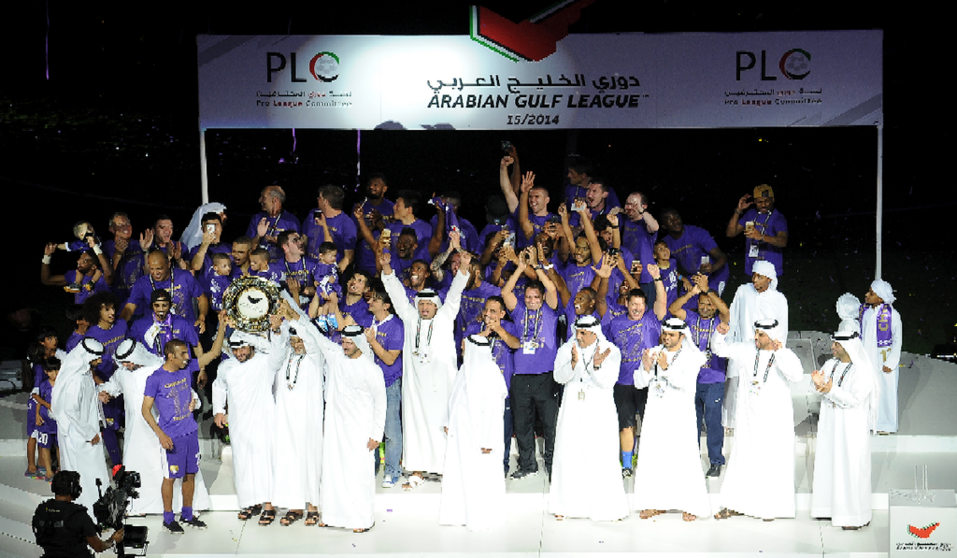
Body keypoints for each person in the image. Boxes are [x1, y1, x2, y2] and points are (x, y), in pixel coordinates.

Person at [381, 248, 470, 490]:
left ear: (436, 306)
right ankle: (417, 470)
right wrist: (388, 270)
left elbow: (454, 295)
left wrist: (463, 269)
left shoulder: (445, 318)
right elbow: (397, 295)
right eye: (422, 304)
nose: (425, 308)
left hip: (441, 384)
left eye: (430, 304)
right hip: (416, 385)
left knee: (442, 424)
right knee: (416, 423)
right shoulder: (410, 319)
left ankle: (445, 468)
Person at [99, 338, 216, 517]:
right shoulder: (122, 373)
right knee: (140, 469)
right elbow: (112, 386)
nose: (127, 365)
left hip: (160, 430)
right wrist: (105, 392)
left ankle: (181, 506)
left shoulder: (157, 370)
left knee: (170, 470)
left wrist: (194, 402)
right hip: (135, 431)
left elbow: (183, 390)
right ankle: (139, 507)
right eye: (123, 363)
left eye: (129, 361)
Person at [712, 318, 803, 520]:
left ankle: (770, 507)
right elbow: (719, 349)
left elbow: (796, 375)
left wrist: (780, 353)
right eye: (756, 333)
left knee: (771, 461)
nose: (755, 338)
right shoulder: (746, 349)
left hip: (774, 420)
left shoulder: (783, 354)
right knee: (744, 458)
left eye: (760, 335)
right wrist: (720, 333)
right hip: (748, 418)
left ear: (771, 336)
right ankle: (736, 504)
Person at [549, 316, 629, 522]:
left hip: (598, 409)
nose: (578, 336)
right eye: (577, 331)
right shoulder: (566, 350)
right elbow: (558, 377)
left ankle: (605, 506)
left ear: (594, 333)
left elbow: (607, 382)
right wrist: (573, 363)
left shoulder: (610, 351)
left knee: (599, 453)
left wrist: (596, 366)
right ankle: (566, 504)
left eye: (583, 333)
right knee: (569, 452)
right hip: (572, 408)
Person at [632, 319, 711, 521]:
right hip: (656, 413)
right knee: (655, 456)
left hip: (679, 414)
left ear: (682, 336)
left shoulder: (691, 357)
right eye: (665, 333)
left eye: (671, 335)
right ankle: (655, 503)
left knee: (683, 457)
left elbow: (684, 384)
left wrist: (666, 368)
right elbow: (639, 383)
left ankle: (690, 504)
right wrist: (647, 368)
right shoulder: (654, 351)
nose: (666, 338)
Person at [312, 324, 386, 532]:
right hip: (336, 429)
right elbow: (315, 335)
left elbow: (381, 403)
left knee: (358, 475)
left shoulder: (372, 370)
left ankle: (361, 520)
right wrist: (293, 316)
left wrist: (376, 434)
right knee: (333, 471)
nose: (344, 346)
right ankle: (331, 515)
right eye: (343, 341)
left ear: (359, 343)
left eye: (349, 343)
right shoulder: (336, 357)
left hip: (360, 431)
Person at [213, 324, 287, 525]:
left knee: (265, 462)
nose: (239, 353)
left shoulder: (265, 362)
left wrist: (250, 337)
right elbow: (219, 387)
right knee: (243, 463)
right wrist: (219, 410)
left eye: (243, 348)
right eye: (235, 349)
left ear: (251, 346)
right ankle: (250, 502)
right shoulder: (226, 366)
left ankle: (269, 505)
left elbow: (278, 350)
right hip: (239, 423)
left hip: (264, 421)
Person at [500, 251, 561, 480]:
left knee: (549, 424)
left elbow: (553, 290)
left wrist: (536, 267)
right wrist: (519, 267)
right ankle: (527, 464)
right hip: (520, 376)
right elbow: (506, 292)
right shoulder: (519, 312)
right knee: (523, 423)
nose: (532, 300)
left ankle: (553, 464)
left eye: (536, 297)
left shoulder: (550, 311)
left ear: (542, 298)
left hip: (545, 376)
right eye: (528, 297)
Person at [439, 335, 509, 531]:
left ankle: (480, 517)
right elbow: (455, 396)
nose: (462, 348)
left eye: (465, 346)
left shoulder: (491, 373)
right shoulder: (465, 369)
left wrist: (488, 440)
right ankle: (460, 513)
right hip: (461, 433)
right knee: (461, 473)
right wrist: (447, 419)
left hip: (480, 438)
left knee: (479, 476)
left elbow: (495, 411)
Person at [810, 330, 878, 530]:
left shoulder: (862, 371)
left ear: (848, 347)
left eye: (836, 345)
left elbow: (854, 400)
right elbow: (819, 386)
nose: (832, 347)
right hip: (831, 424)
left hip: (850, 429)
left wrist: (830, 389)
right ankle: (827, 509)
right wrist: (818, 383)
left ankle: (853, 517)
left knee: (851, 470)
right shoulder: (831, 364)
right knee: (828, 464)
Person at [605, 262, 666, 478]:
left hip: (648, 381)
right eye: (633, 304)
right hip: (622, 383)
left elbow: (661, 301)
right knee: (626, 426)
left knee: (650, 424)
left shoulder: (651, 318)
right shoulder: (615, 323)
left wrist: (657, 279)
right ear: (627, 304)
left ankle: (651, 462)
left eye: (641, 304)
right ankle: (627, 464)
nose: (637, 308)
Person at [669, 274, 732, 477]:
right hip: (692, 379)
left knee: (713, 420)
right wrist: (693, 293)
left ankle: (715, 461)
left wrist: (708, 291)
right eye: (702, 303)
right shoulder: (692, 317)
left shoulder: (719, 321)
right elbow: (672, 310)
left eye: (708, 304)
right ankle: (691, 459)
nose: (705, 307)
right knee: (692, 420)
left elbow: (725, 310)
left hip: (714, 377)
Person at [724, 260, 788, 430]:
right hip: (744, 345)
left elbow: (782, 327)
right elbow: (734, 316)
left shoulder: (779, 299)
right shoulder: (743, 291)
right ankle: (732, 423)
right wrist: (729, 341)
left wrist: (778, 349)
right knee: (737, 385)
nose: (754, 279)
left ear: (769, 279)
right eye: (754, 275)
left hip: (767, 351)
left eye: (759, 277)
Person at [51, 338, 111, 511]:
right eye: (96, 357)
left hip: (87, 432)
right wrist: (89, 433)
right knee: (83, 475)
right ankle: (86, 511)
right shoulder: (76, 378)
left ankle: (99, 509)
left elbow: (84, 398)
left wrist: (97, 396)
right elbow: (71, 410)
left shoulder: (84, 372)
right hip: (79, 435)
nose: (99, 361)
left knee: (93, 472)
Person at [363, 285, 405, 488]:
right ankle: (369, 469)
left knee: (390, 430)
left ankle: (392, 471)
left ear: (386, 305)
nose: (369, 302)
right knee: (369, 428)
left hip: (388, 383)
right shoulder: (367, 320)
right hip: (367, 385)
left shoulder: (396, 326)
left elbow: (389, 359)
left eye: (375, 300)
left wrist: (372, 341)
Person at [33, 471, 124, 556]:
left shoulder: (41, 510)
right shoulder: (79, 515)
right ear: (74, 490)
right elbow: (98, 547)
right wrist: (113, 540)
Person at [859, 279, 902, 434]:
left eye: (871, 293)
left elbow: (897, 340)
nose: (866, 295)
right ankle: (868, 422)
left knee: (885, 392)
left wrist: (891, 362)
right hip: (868, 359)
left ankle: (886, 424)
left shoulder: (893, 315)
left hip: (883, 360)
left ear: (881, 298)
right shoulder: (866, 312)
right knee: (867, 389)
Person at [659, 208, 729, 295]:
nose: (675, 221)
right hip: (693, 276)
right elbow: (668, 267)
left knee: (708, 303)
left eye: (677, 217)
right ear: (664, 226)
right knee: (682, 305)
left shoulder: (697, 233)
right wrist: (683, 278)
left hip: (715, 273)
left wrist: (713, 267)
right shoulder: (665, 244)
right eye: (670, 220)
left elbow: (722, 256)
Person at [726, 184, 788, 277]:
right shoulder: (750, 214)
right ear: (754, 201)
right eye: (760, 202)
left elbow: (783, 241)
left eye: (767, 201)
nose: (763, 205)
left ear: (773, 200)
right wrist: (738, 210)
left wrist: (761, 237)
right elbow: (730, 233)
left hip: (771, 272)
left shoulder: (778, 218)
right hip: (751, 270)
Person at [303, 184, 357, 270]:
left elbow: (348, 257)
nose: (317, 199)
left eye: (320, 197)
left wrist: (335, 274)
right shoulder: (313, 214)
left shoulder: (347, 224)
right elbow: (304, 239)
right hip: (308, 268)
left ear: (326, 202)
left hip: (328, 271)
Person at [246, 185, 300, 261]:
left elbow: (297, 250)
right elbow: (247, 247)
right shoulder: (257, 218)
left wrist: (277, 241)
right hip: (260, 264)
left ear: (275, 200)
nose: (260, 200)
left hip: (282, 266)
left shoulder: (291, 221)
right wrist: (258, 236)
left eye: (263, 198)